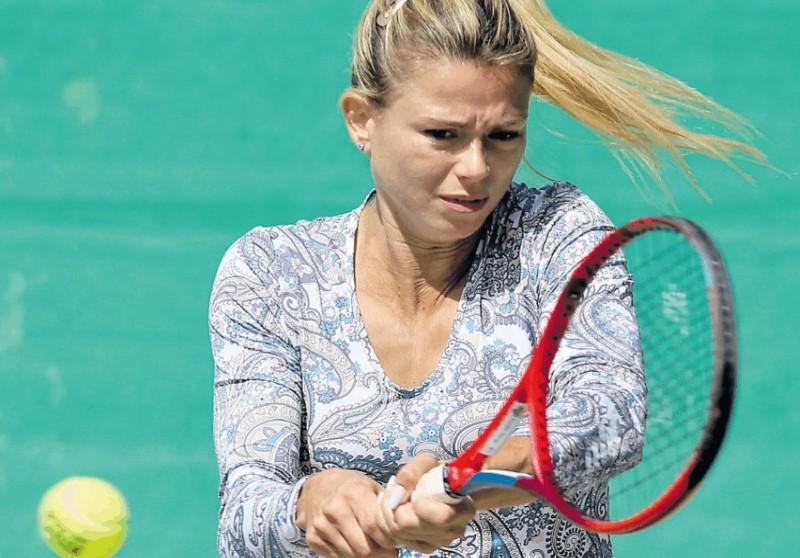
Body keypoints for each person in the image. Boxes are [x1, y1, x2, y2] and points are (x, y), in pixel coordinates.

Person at [209, 1, 763, 556]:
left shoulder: (557, 232)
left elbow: (610, 417)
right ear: (361, 119)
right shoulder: (269, 272)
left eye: (502, 135)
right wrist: (310, 505)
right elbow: (243, 511)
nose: (476, 168)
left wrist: (472, 478)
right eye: (442, 134)